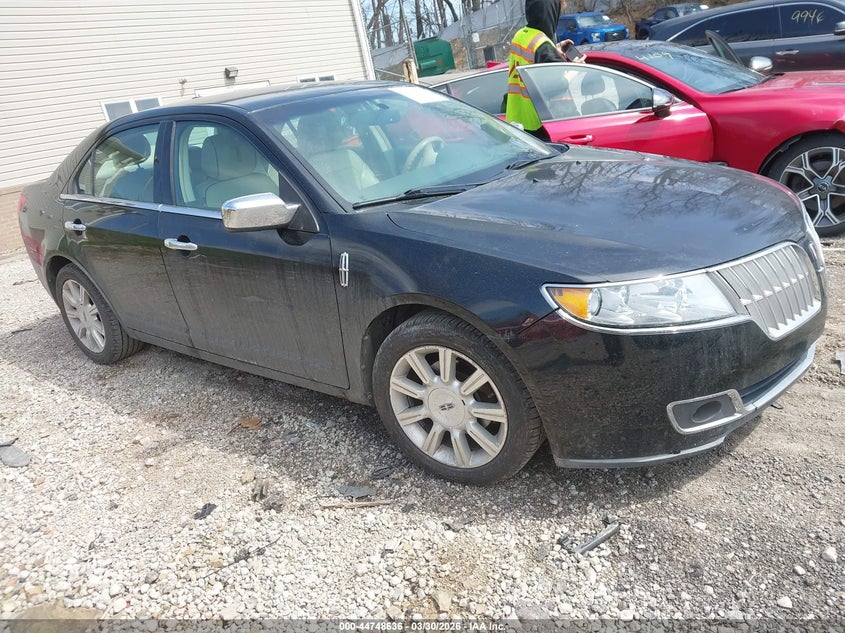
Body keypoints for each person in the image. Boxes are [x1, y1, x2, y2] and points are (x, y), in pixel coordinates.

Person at [505, 0, 585, 140]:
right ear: (550, 11)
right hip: (539, 126)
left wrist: (554, 49)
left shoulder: (521, 35)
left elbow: (533, 60)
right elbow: (556, 85)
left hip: (518, 122)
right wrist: (576, 68)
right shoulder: (542, 45)